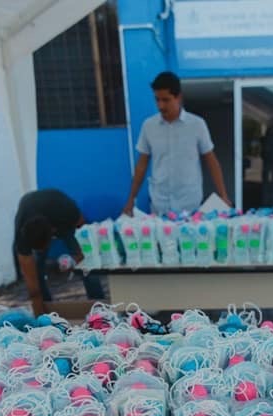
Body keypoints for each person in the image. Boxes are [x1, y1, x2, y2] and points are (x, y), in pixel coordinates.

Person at [122, 72, 230, 216]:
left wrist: (223, 195)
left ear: (178, 97)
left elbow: (211, 160)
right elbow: (141, 165)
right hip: (159, 204)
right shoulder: (148, 126)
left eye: (166, 100)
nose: (160, 105)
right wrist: (131, 199)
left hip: (189, 204)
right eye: (157, 100)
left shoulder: (197, 125)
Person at [13, 189, 105, 317]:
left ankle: (100, 308)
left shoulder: (65, 211)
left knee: (87, 265)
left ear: (53, 232)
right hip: (31, 212)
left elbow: (82, 228)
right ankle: (46, 314)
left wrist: (81, 257)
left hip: (63, 215)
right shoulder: (22, 236)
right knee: (37, 273)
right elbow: (33, 289)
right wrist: (40, 323)